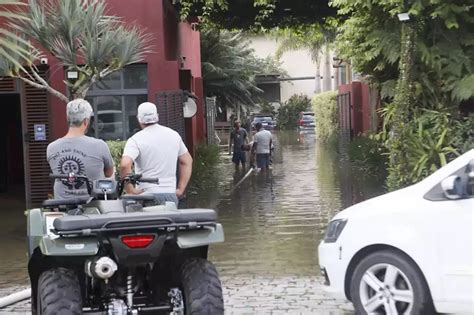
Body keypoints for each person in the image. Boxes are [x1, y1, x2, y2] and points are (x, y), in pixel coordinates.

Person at [120, 102, 193, 206]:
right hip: (170, 195)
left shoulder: (135, 139)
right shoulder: (173, 135)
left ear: (138, 119)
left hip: (146, 196)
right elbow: (186, 161)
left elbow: (125, 164)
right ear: (157, 116)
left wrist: (130, 190)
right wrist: (180, 189)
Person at [47, 99, 114, 200]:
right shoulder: (100, 145)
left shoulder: (52, 148)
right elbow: (109, 173)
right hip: (94, 207)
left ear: (67, 118)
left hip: (63, 208)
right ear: (86, 121)